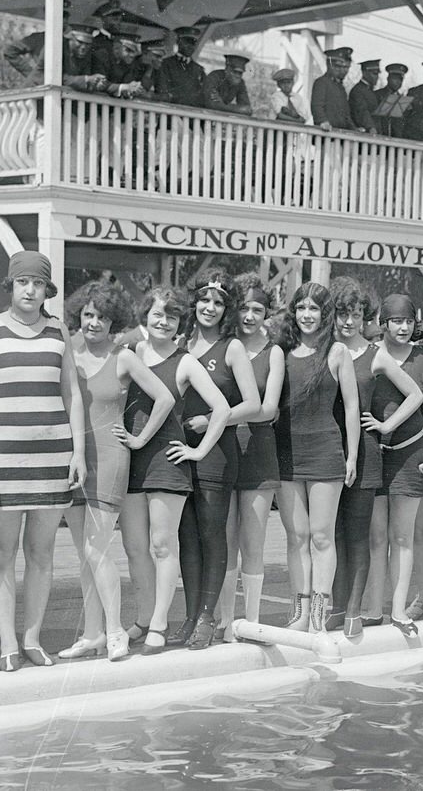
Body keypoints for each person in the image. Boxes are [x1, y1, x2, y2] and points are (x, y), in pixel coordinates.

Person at [0, 251, 86, 672]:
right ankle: (7, 641)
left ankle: (32, 637)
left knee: (41, 552)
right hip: (1, 455)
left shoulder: (59, 332)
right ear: (10, 285)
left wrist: (77, 451)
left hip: (52, 454)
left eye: (38, 284)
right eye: (23, 282)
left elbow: (72, 394)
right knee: (1, 551)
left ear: (47, 290)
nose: (30, 290)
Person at [59, 282, 174, 663]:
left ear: (114, 323)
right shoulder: (70, 355)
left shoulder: (123, 357)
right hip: (73, 458)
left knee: (96, 547)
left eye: (102, 317)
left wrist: (139, 439)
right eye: (88, 315)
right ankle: (92, 633)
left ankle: (114, 630)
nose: (93, 322)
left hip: (109, 458)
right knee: (83, 553)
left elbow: (165, 397)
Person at [120, 286, 230, 655]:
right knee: (135, 547)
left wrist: (198, 451)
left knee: (162, 545)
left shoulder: (184, 362)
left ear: (179, 323)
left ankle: (160, 624)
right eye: (157, 314)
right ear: (144, 317)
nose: (164, 322)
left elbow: (222, 408)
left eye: (171, 316)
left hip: (166, 460)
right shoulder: (133, 352)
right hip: (130, 458)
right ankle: (143, 616)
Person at [172, 270, 261, 650]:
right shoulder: (178, 342)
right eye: (205, 299)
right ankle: (190, 615)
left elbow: (254, 404)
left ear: (227, 309)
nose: (210, 307)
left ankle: (209, 616)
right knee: (186, 537)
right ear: (194, 302)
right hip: (177, 453)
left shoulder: (232, 348)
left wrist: (211, 419)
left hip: (216, 454)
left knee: (211, 533)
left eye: (219, 302)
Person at [330, 279, 421, 637]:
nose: (349, 321)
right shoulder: (327, 349)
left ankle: (354, 609)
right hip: (327, 451)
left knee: (358, 535)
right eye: (342, 313)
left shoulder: (375, 354)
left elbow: (415, 394)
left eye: (356, 314)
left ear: (365, 316)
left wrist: (386, 425)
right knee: (331, 535)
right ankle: (336, 606)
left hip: (365, 454)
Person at [274, 282, 360, 634]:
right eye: (301, 308)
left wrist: (352, 456)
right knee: (296, 535)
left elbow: (352, 406)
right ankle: (301, 608)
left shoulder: (338, 352)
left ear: (325, 314)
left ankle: (321, 610)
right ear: (293, 312)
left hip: (326, 451)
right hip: (286, 452)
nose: (307, 315)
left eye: (315, 309)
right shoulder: (281, 351)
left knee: (322, 535)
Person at [363, 293, 423, 635]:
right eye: (397, 321)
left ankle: (398, 611)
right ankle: (372, 609)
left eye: (409, 321)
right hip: (375, 452)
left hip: (409, 451)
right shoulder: (371, 353)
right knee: (377, 536)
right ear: (384, 323)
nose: (404, 327)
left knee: (403, 536)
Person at [215, 274, 285, 641]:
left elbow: (269, 409)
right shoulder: (226, 347)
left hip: (258, 450)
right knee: (225, 539)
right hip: (224, 451)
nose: (250, 315)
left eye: (258, 309)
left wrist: (222, 415)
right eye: (244, 307)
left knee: (253, 542)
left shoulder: (273, 352)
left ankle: (253, 619)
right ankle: (226, 622)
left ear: (266, 314)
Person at [3, 1, 106, 92]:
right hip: (40, 88)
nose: (62, 19)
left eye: (64, 16)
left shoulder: (72, 43)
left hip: (63, 89)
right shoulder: (38, 38)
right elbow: (10, 51)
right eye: (58, 15)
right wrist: (31, 72)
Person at [155, 27, 206, 108]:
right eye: (187, 42)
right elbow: (162, 92)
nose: (191, 46)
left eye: (193, 43)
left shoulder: (199, 69)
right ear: (178, 42)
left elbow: (204, 96)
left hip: (190, 116)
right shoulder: (165, 64)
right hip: (168, 113)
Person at [311, 47, 355, 131]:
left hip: (341, 136)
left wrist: (354, 129)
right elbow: (317, 106)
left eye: (346, 67)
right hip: (326, 135)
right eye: (338, 66)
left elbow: (346, 114)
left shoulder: (341, 87)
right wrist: (322, 121)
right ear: (329, 65)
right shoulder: (321, 82)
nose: (343, 70)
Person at [89, 0, 127, 77]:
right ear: (103, 19)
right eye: (115, 19)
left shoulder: (119, 41)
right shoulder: (97, 41)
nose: (118, 23)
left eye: (120, 20)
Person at [373, 63, 410, 137]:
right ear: (388, 78)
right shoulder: (377, 95)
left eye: (400, 79)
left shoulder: (403, 100)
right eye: (395, 79)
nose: (398, 82)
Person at [349, 59, 381, 133]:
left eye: (377, 74)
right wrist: (370, 127)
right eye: (374, 73)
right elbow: (361, 111)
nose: (377, 77)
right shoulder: (358, 90)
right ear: (365, 73)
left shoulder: (370, 91)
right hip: (366, 133)